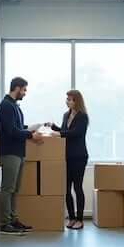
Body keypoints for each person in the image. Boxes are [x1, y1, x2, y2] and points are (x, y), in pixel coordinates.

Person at [0, 77, 44, 235]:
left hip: (18, 152)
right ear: (17, 88)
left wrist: (30, 129)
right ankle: (5, 222)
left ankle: (13, 219)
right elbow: (11, 131)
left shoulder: (14, 106)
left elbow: (18, 127)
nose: (24, 93)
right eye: (24, 90)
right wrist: (31, 136)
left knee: (15, 189)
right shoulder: (5, 106)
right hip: (10, 152)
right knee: (7, 188)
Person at [49, 90, 90, 230]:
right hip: (66, 156)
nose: (68, 101)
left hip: (79, 156)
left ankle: (80, 219)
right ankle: (71, 218)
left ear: (77, 101)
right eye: (67, 99)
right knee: (66, 188)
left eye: (70, 99)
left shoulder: (83, 116)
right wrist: (54, 127)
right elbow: (65, 131)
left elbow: (76, 133)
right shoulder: (66, 115)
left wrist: (58, 133)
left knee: (77, 187)